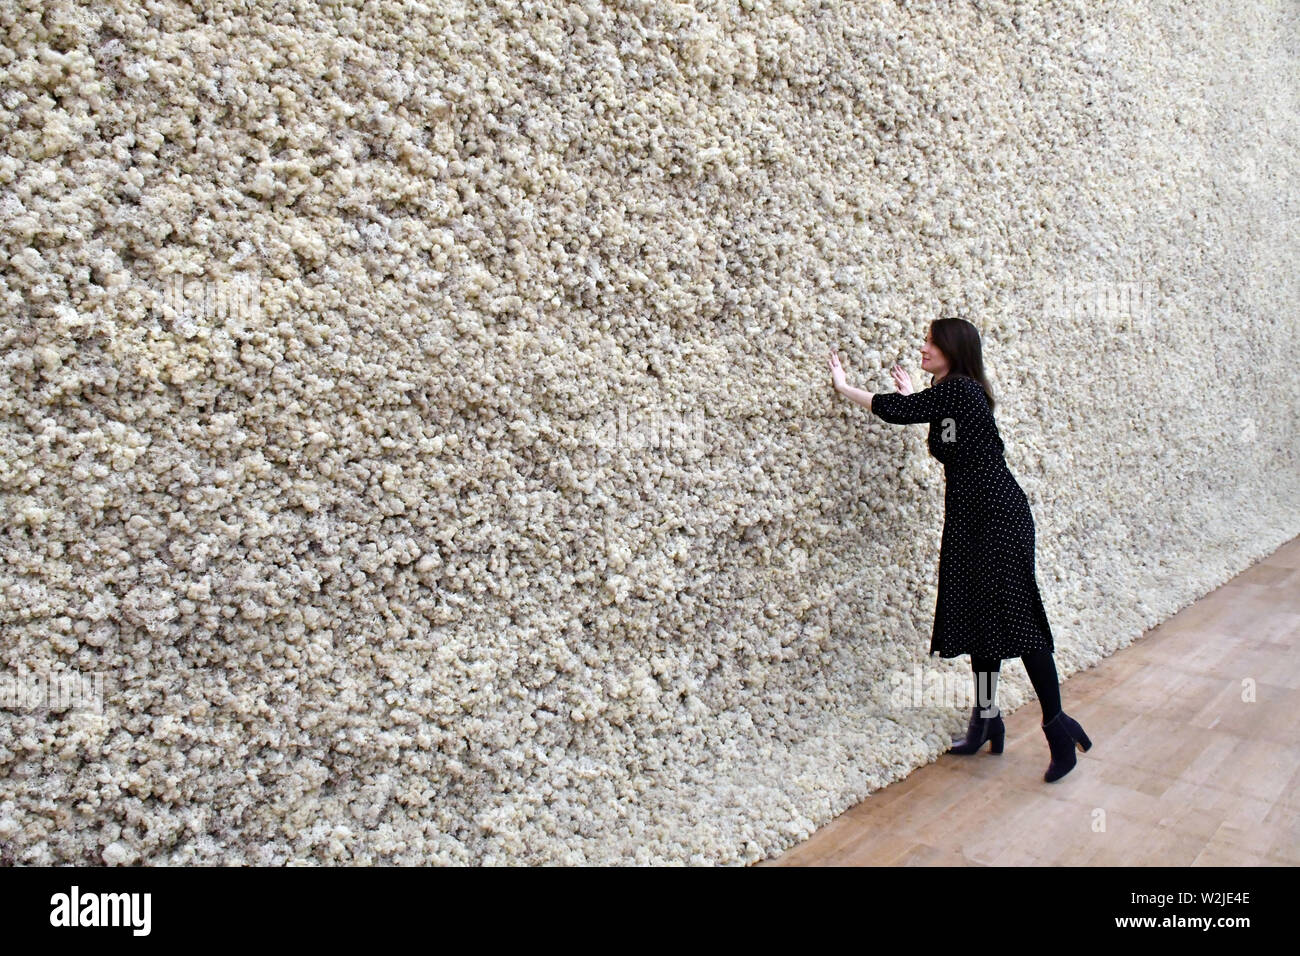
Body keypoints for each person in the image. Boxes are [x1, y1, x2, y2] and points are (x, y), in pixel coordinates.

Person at [827, 317, 1092, 782]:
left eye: (931, 342)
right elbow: (931, 423)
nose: (923, 348)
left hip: (997, 518)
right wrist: (916, 397)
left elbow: (895, 411)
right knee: (981, 621)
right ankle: (987, 719)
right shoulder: (952, 397)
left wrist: (846, 387)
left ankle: (1057, 727)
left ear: (953, 348)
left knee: (1018, 619)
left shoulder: (963, 391)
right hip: (972, 520)